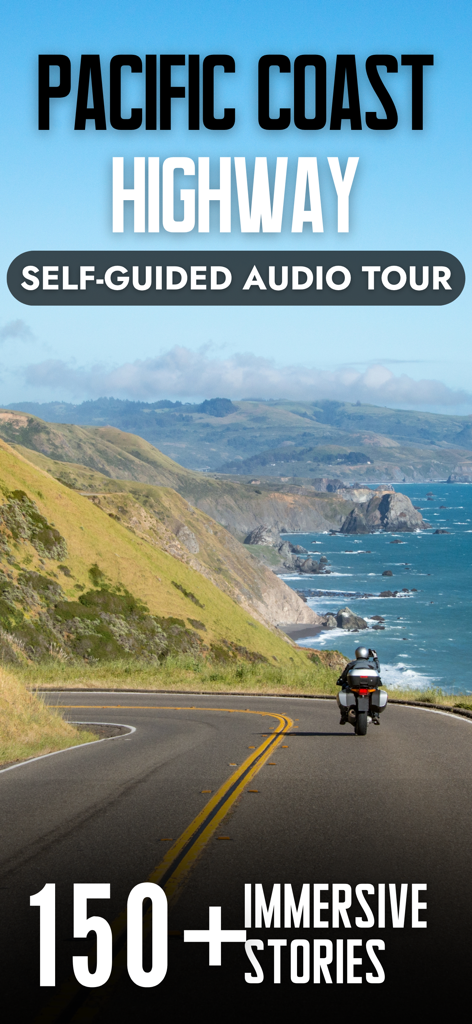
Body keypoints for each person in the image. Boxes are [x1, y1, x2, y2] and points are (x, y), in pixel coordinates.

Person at [336, 646, 381, 725]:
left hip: (354, 687)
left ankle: (343, 714)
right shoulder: (372, 663)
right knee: (375, 690)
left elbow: (344, 675)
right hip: (369, 686)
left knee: (344, 688)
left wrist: (341, 681)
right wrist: (375, 657)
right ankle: (375, 714)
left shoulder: (352, 663)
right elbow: (378, 669)